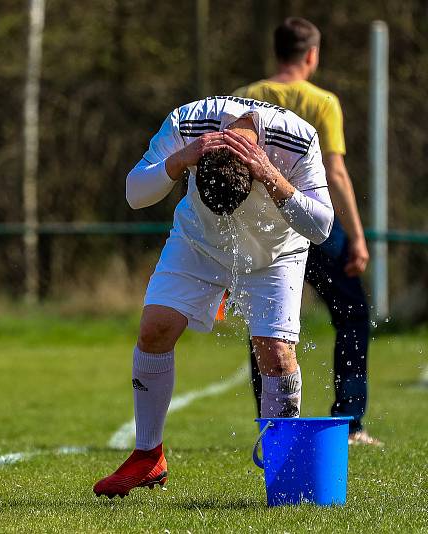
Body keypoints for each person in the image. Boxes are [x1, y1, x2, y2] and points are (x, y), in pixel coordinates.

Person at [93, 95, 333, 498]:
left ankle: (284, 472)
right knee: (155, 329)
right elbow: (135, 193)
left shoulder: (299, 138)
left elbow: (321, 226)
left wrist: (270, 175)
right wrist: (179, 160)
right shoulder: (186, 122)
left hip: (277, 252)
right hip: (198, 242)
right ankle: (148, 456)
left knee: (275, 353)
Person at [234, 17, 381, 446]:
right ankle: (351, 421)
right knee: (353, 314)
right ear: (312, 55)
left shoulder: (246, 97)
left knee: (267, 323)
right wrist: (356, 235)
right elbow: (335, 171)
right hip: (313, 225)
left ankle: (271, 422)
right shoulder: (324, 102)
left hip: (261, 229)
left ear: (276, 53)